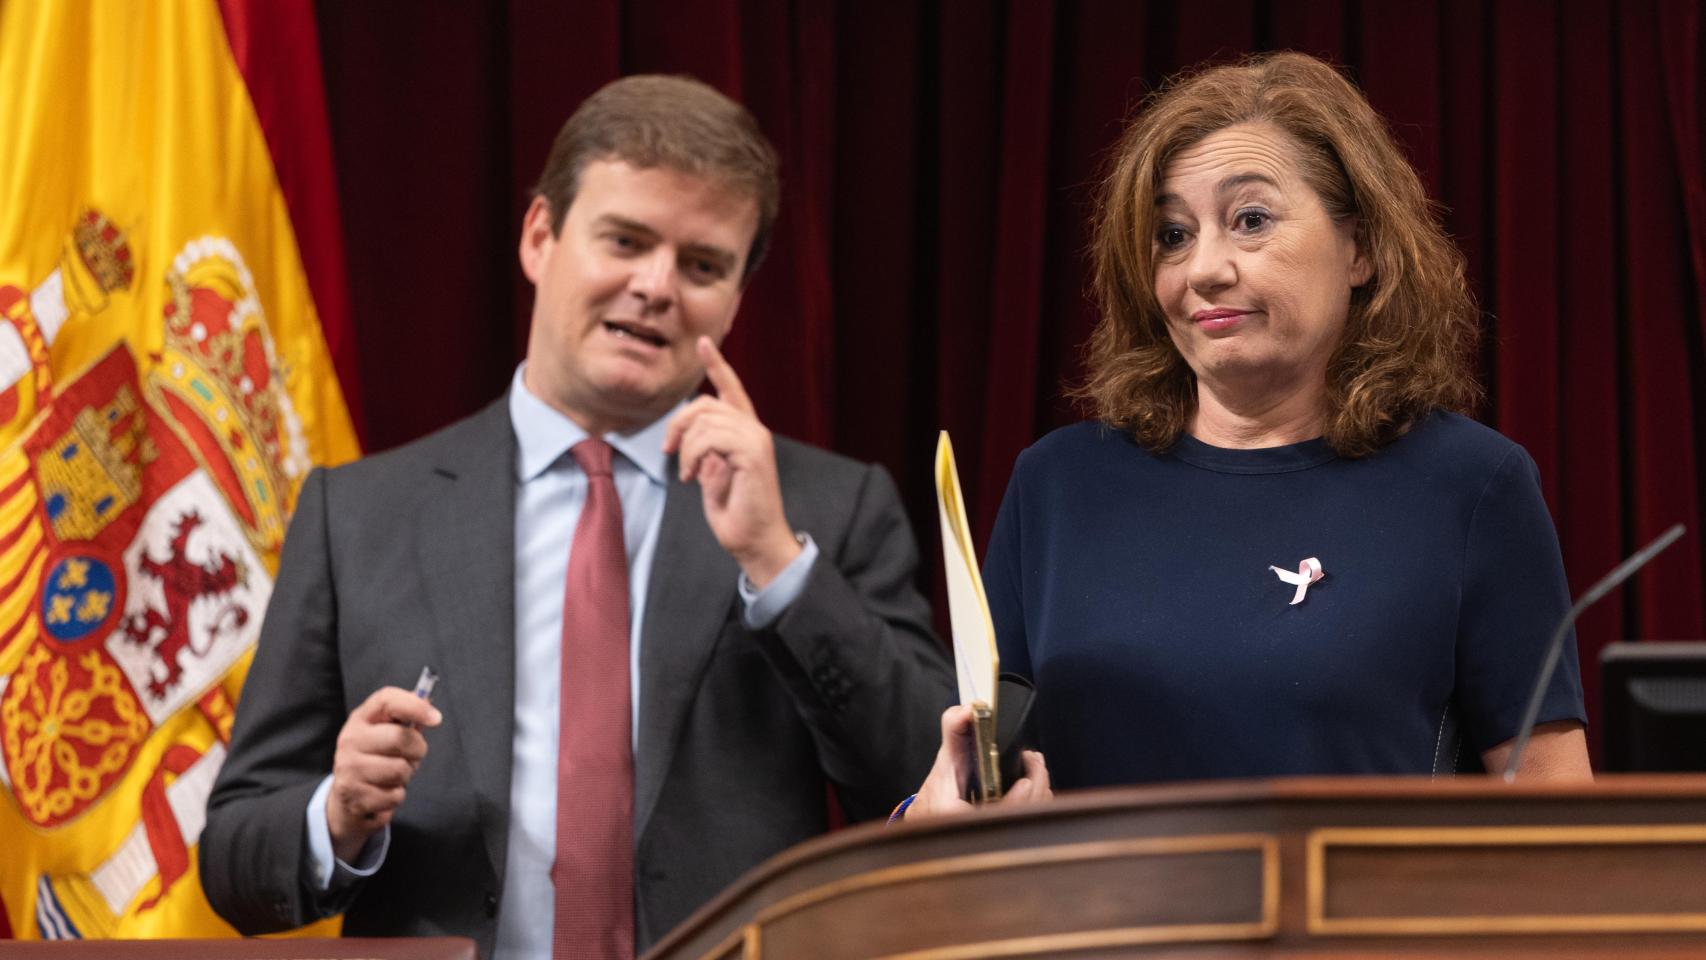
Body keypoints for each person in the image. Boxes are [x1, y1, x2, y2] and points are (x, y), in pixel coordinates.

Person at [200, 75, 953, 957]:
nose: (657, 286)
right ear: (540, 237)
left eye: (703, 265)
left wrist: (778, 566)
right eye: (625, 241)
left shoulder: (824, 508)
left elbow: (928, 796)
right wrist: (338, 816)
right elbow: (233, 861)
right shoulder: (359, 514)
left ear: (737, 299)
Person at [909, 52, 1589, 819]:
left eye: (1251, 220)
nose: (1203, 269)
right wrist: (938, 816)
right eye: (1171, 234)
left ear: (1360, 248)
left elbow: (1556, 835)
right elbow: (972, 774)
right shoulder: (1058, 485)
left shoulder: (1473, 486)